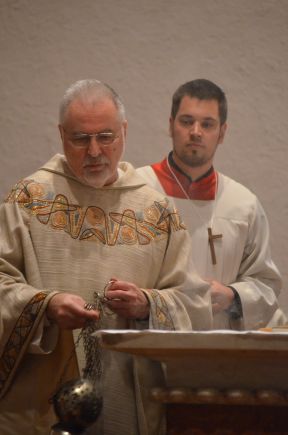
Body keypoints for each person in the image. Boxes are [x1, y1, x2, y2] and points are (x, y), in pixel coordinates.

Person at [0, 79, 212, 435]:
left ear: (124, 132)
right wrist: (45, 306)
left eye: (106, 136)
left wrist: (148, 305)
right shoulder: (27, 200)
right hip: (40, 402)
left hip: (126, 400)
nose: (95, 151)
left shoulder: (157, 211)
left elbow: (194, 302)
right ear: (61, 134)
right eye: (80, 139)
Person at [137, 78, 287, 330]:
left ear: (222, 133)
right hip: (150, 340)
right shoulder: (138, 189)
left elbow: (265, 283)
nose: (196, 131)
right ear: (171, 125)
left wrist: (233, 296)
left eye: (207, 124)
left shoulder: (243, 205)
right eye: (186, 121)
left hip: (218, 347)